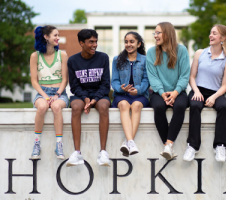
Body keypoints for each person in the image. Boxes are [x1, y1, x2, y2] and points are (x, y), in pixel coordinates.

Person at [183, 24, 226, 162]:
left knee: (223, 107)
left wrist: (214, 96)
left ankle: (220, 146)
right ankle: (193, 146)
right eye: (210, 32)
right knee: (195, 106)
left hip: (216, 92)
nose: (210, 36)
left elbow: (224, 86)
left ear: (223, 38)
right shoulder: (200, 53)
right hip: (198, 90)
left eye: (214, 33)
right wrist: (196, 91)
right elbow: (191, 77)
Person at [66, 29, 111, 167]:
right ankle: (77, 153)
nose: (94, 45)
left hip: (99, 94)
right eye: (91, 42)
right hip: (80, 94)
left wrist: (94, 99)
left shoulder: (103, 57)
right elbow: (74, 86)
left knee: (103, 107)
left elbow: (105, 84)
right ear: (81, 43)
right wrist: (85, 98)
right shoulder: (73, 61)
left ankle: (103, 152)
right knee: (75, 107)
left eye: (96, 41)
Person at [146, 22, 190, 160]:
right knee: (158, 106)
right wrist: (162, 93)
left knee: (181, 106)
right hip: (159, 93)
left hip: (178, 91)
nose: (155, 36)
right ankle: (168, 145)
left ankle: (168, 145)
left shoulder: (181, 50)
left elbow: (184, 75)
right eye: (155, 33)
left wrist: (176, 92)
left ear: (167, 33)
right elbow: (152, 76)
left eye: (158, 32)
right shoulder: (151, 52)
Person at [30, 25, 69, 159]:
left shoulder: (62, 55)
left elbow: (65, 79)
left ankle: (59, 145)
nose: (58, 38)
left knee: (56, 107)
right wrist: (46, 97)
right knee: (42, 107)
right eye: (55, 35)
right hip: (42, 92)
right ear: (46, 37)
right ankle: (36, 144)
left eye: (58, 35)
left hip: (60, 93)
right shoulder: (35, 56)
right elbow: (34, 81)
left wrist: (57, 94)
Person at [111, 32, 149, 157]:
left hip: (140, 94)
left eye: (132, 42)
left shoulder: (145, 60)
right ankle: (131, 142)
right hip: (122, 95)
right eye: (126, 42)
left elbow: (146, 80)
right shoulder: (117, 59)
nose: (128, 44)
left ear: (138, 44)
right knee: (123, 105)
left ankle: (127, 142)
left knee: (137, 106)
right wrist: (121, 88)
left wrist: (138, 90)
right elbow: (115, 81)